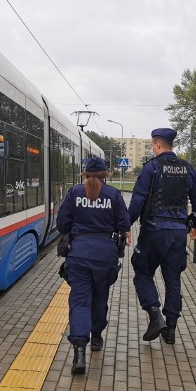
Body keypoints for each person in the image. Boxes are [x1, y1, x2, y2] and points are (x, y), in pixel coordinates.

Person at [57, 156, 131, 375]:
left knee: (80, 300)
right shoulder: (113, 195)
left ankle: (79, 353)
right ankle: (96, 336)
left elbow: (62, 223)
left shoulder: (74, 193)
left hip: (79, 255)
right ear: (105, 175)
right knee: (100, 297)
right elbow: (124, 224)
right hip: (105, 256)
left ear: (85, 174)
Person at [128, 128, 196, 345]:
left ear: (157, 145)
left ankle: (154, 315)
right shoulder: (188, 169)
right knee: (173, 279)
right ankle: (170, 330)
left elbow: (137, 202)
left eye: (153, 145)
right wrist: (195, 224)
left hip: (153, 231)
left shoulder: (152, 168)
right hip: (179, 233)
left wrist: (124, 226)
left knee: (142, 271)